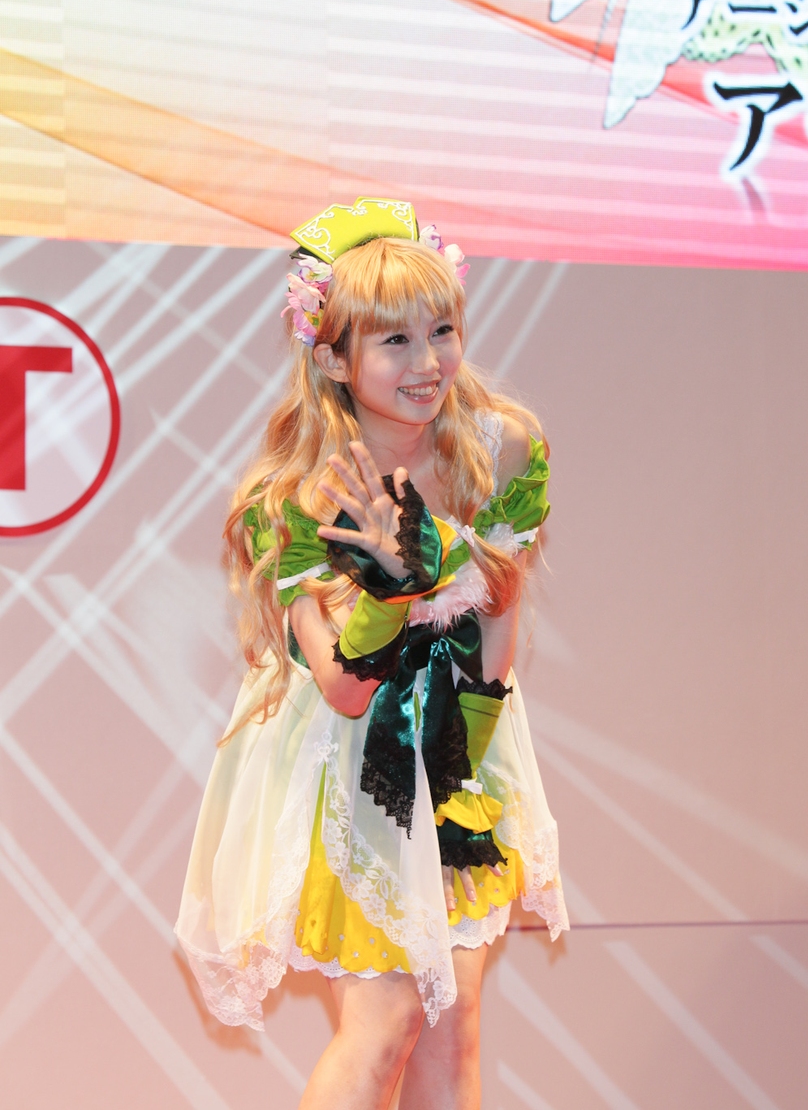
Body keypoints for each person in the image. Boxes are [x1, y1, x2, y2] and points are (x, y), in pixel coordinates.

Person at [176, 198, 568, 1110]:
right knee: (387, 1020)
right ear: (331, 359)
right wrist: (391, 590)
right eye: (394, 341)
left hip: (463, 740)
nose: (428, 363)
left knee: (453, 1023)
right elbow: (345, 690)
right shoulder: (298, 499)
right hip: (353, 762)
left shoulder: (501, 449)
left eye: (441, 330)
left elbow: (500, 622)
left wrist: (468, 748)